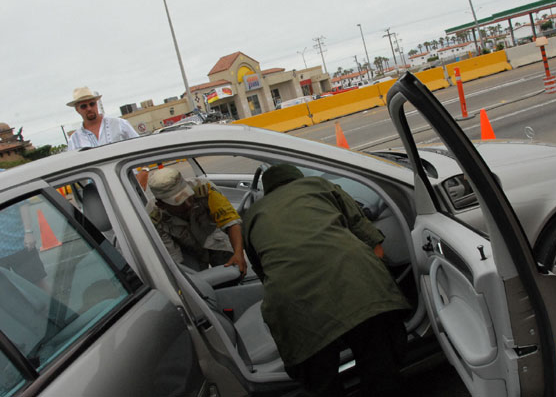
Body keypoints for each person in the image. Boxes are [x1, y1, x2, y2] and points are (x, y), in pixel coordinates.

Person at [242, 164, 410, 397]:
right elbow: (373, 243)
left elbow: (264, 273)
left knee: (322, 385)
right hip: (356, 284)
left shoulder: (252, 215)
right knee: (380, 369)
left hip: (293, 306)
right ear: (296, 178)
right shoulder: (320, 185)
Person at [148, 167, 246, 274]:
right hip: (188, 251)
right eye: (179, 203)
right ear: (161, 205)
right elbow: (173, 255)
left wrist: (238, 253)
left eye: (188, 197)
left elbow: (231, 221)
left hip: (214, 239)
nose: (188, 205)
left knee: (234, 272)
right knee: (194, 280)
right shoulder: (154, 217)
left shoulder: (205, 188)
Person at [66, 87, 139, 151]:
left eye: (92, 104)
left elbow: (139, 145)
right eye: (83, 106)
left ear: (96, 104)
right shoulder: (74, 140)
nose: (89, 108)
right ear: (77, 109)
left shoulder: (120, 124)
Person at [0, 200, 49, 292]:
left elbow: (22, 203)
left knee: (38, 285)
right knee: (5, 294)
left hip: (20, 244)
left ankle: (52, 306)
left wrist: (28, 232)